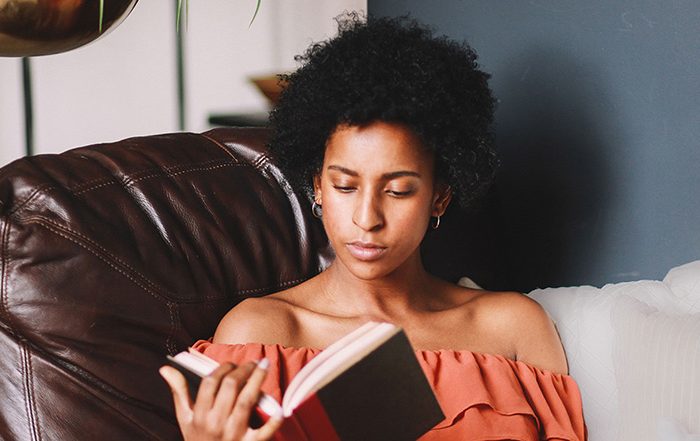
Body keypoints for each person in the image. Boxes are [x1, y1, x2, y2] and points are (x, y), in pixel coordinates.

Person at [159, 13, 587, 441]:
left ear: (440, 196)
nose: (367, 219)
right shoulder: (262, 331)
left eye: (398, 191)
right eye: (344, 186)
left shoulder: (512, 328)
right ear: (318, 187)